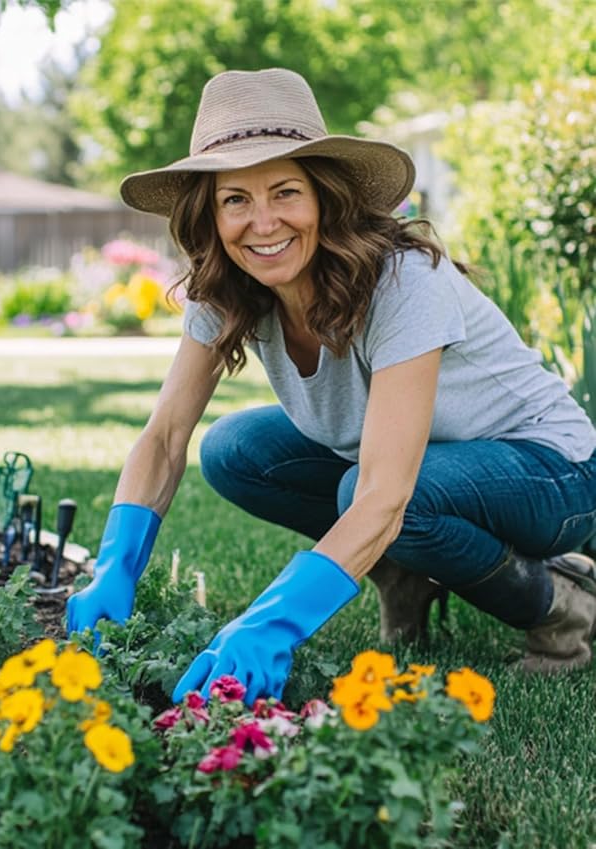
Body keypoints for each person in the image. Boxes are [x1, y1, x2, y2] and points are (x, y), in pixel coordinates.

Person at [67, 68, 596, 706]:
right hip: (420, 463)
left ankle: (561, 606)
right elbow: (165, 436)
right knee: (235, 449)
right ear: (210, 212)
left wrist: (274, 622)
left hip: (551, 471)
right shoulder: (230, 286)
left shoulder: (402, 281)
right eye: (235, 199)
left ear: (325, 196)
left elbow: (382, 493)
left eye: (285, 192)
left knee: (377, 496)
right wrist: (113, 568)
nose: (262, 223)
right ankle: (401, 573)